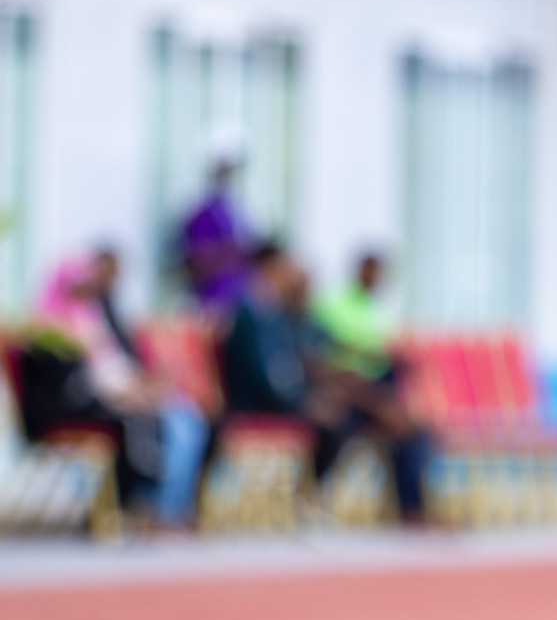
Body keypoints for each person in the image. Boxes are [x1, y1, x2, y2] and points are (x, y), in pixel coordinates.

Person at [222, 242, 430, 522]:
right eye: (293, 274)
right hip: (270, 402)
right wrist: (309, 400)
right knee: (338, 419)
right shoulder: (260, 314)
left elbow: (332, 350)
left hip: (311, 394)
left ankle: (411, 508)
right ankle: (308, 499)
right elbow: (280, 374)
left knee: (401, 421)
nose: (303, 284)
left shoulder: (295, 316)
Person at [30, 248, 210, 527]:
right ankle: (142, 506)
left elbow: (117, 365)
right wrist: (120, 394)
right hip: (75, 407)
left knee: (183, 415)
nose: (84, 293)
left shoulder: (96, 319)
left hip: (114, 396)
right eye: (78, 287)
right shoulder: (50, 328)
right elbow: (71, 384)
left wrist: (142, 388)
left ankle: (164, 506)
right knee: (138, 423)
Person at [180, 157, 254, 317]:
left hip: (235, 292)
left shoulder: (235, 212)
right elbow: (198, 256)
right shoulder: (204, 214)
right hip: (210, 296)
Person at [312, 251, 394, 381]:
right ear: (360, 270)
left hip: (374, 375)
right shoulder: (335, 301)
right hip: (346, 374)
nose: (374, 276)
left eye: (377, 272)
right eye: (370, 270)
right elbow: (326, 341)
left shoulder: (377, 307)